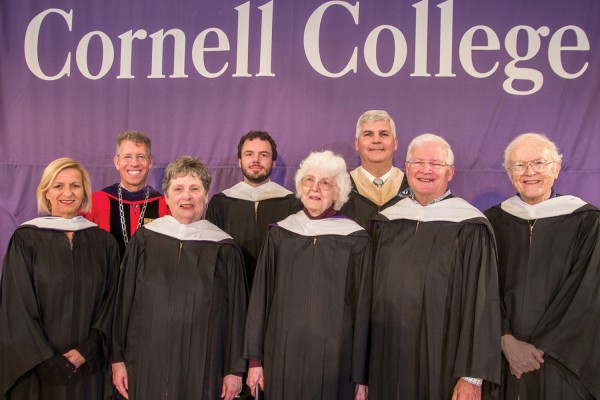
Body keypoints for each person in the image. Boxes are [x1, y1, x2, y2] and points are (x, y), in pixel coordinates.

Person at [369, 134, 501, 400]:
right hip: (387, 359)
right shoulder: (386, 221)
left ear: (450, 172)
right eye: (418, 162)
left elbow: (482, 304)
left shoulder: (470, 226)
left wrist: (471, 376)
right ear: (406, 168)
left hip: (444, 361)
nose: (426, 170)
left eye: (435, 164)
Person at [111, 156, 247, 400]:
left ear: (206, 196)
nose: (186, 197)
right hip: (146, 359)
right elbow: (123, 303)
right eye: (178, 189)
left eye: (195, 189)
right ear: (166, 197)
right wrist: (117, 358)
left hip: (204, 364)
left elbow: (237, 313)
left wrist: (234, 370)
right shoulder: (144, 240)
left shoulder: (225, 248)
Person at [244, 150, 372, 400]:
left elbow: (363, 309)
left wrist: (360, 375)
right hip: (281, 356)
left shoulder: (356, 241)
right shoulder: (280, 235)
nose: (315, 188)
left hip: (337, 362)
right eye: (309, 180)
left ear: (338, 192)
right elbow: (260, 299)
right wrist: (255, 361)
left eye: (325, 183)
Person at [485, 133, 600, 400]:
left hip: (563, 365)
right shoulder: (491, 222)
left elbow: (588, 295)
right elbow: (482, 288)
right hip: (504, 363)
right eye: (519, 165)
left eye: (539, 163)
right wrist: (505, 339)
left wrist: (539, 350)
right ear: (508, 172)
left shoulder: (587, 223)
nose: (530, 172)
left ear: (557, 168)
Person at [0, 157, 120, 400]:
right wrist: (44, 359)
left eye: (75, 186)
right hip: (37, 370)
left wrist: (87, 350)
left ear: (84, 192)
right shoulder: (26, 239)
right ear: (46, 193)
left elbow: (112, 301)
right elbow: (16, 305)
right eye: (58, 186)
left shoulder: (103, 243)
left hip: (88, 367)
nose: (68, 193)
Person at [206, 131, 301, 289]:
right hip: (231, 290)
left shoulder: (291, 204)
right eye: (249, 154)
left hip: (275, 291)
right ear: (239, 161)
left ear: (274, 162)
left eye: (263, 155)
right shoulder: (221, 203)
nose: (256, 160)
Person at [84, 131, 169, 256]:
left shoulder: (164, 205)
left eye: (141, 156)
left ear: (150, 162)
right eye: (127, 157)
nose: (134, 163)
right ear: (117, 162)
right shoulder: (96, 202)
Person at [340, 110, 409, 228]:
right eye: (368, 134)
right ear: (357, 144)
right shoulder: (341, 189)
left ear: (395, 143)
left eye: (384, 134)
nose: (376, 140)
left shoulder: (411, 188)